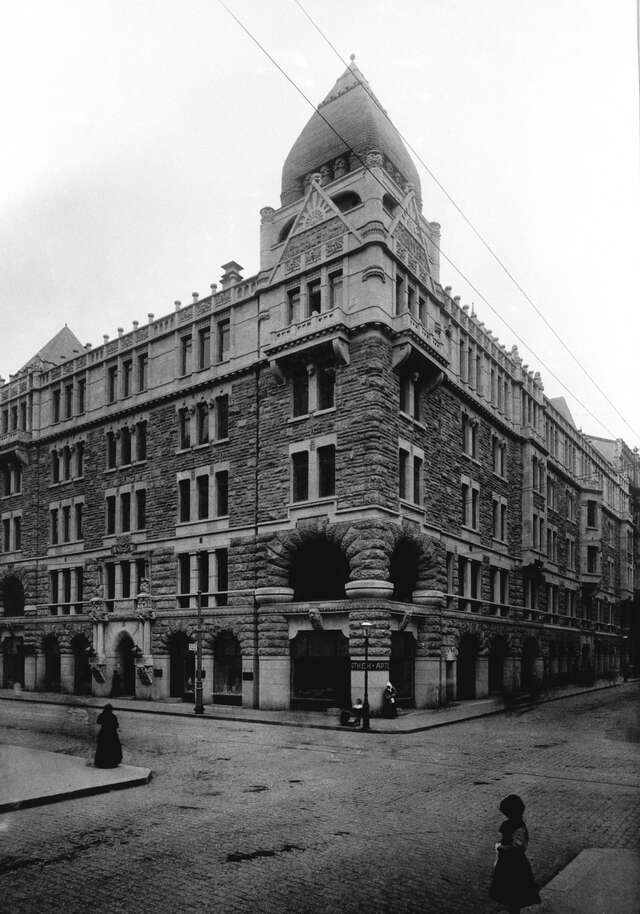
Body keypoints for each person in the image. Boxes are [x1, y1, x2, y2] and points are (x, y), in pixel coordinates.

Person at [489, 794, 540, 914]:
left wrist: (501, 847)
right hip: (515, 862)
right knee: (514, 892)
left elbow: (517, 846)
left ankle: (513, 910)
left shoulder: (513, 826)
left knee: (511, 891)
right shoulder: (518, 825)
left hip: (511, 862)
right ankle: (513, 910)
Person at [94, 704, 123, 768]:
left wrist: (96, 735)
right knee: (112, 748)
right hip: (112, 734)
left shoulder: (101, 715)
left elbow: (98, 725)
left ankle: (101, 762)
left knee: (102, 748)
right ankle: (112, 762)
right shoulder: (113, 716)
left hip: (103, 734)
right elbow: (116, 726)